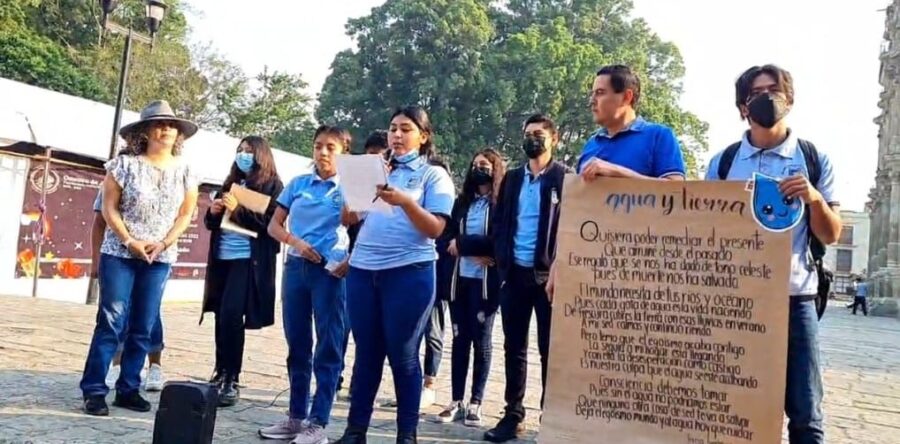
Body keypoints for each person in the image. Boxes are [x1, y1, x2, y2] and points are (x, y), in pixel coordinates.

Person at [705, 64, 842, 444]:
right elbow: (704, 231)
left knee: (805, 413)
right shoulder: (724, 163)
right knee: (734, 409)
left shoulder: (813, 159)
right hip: (736, 302)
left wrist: (813, 198)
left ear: (790, 99)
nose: (766, 98)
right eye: (756, 93)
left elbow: (830, 235)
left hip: (795, 298)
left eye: (774, 90)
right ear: (742, 107)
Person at [334, 106, 455, 444]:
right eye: (392, 129)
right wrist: (363, 186)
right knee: (367, 353)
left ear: (423, 136)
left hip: (409, 272)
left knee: (403, 354)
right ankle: (355, 431)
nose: (397, 136)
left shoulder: (433, 176)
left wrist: (404, 201)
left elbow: (435, 229)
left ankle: (407, 434)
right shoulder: (378, 169)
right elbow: (348, 218)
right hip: (363, 270)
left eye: (406, 129)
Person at [80, 100, 199, 416]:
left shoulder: (186, 171)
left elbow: (186, 213)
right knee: (111, 320)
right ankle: (94, 389)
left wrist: (163, 242)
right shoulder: (124, 166)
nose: (166, 129)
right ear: (144, 131)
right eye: (159, 124)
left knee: (144, 323)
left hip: (159, 256)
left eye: (171, 125)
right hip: (120, 252)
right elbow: (108, 208)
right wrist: (129, 240)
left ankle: (129, 388)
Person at [545, 64, 687, 299]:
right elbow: (577, 213)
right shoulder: (592, 146)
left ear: (626, 96)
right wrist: (559, 260)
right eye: (592, 94)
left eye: (600, 93)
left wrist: (618, 172)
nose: (592, 101)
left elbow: (677, 194)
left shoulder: (659, 136)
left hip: (644, 270)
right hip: (591, 268)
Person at [260, 126, 351, 444]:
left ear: (343, 153)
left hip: (329, 272)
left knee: (328, 345)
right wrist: (294, 241)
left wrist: (348, 261)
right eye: (317, 146)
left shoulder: (348, 188)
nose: (323, 153)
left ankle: (319, 421)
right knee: (297, 343)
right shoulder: (298, 184)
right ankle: (295, 417)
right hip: (296, 267)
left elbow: (362, 225)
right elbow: (274, 225)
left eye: (331, 147)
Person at [484, 114, 570, 443]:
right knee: (514, 347)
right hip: (514, 274)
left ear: (554, 139)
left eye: (539, 134)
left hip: (548, 277)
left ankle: (550, 418)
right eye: (528, 134)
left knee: (550, 349)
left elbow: (570, 227)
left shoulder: (565, 178)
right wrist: (503, 264)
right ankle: (512, 414)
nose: (533, 139)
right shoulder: (513, 179)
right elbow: (502, 222)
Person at [202, 135, 283, 407]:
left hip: (247, 260)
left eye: (249, 150)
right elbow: (211, 224)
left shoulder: (274, 186)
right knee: (220, 316)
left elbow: (268, 225)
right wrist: (214, 212)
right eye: (240, 150)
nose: (243, 154)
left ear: (261, 155)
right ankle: (220, 370)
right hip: (222, 257)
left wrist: (237, 211)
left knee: (232, 314)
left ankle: (231, 377)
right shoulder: (231, 183)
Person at [435, 148, 505, 427]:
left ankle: (476, 401)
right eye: (475, 164)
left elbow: (500, 240)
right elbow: (445, 237)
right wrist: (461, 246)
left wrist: (465, 246)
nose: (479, 169)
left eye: (485, 165)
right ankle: (456, 400)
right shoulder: (461, 202)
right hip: (459, 280)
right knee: (459, 339)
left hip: (486, 282)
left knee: (482, 341)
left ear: (495, 169)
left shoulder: (501, 205)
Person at [91, 188, 167, 392]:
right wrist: (95, 261)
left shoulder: (170, 177)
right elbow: (99, 222)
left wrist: (164, 244)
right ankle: (115, 367)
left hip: (153, 258)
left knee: (149, 316)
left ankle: (154, 366)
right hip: (117, 255)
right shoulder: (115, 178)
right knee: (114, 316)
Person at [340, 130, 390, 394]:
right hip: (355, 263)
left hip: (383, 268)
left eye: (378, 158)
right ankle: (338, 376)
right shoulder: (360, 185)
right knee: (346, 326)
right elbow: (348, 219)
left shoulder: (396, 186)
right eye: (369, 156)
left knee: (372, 336)